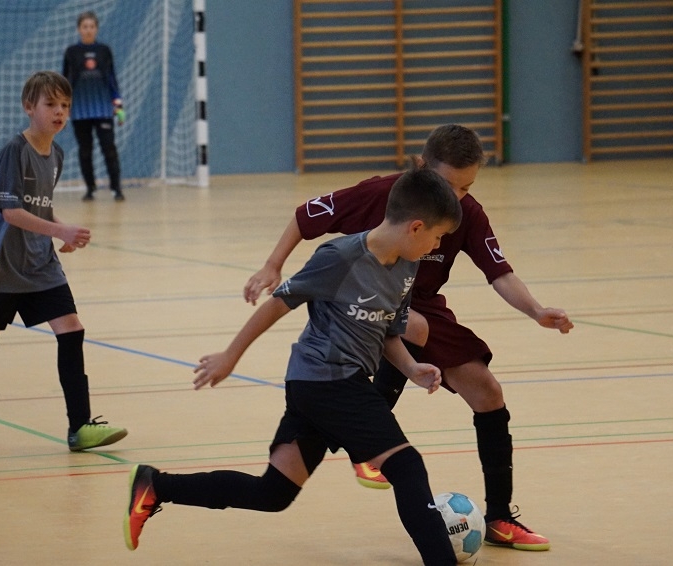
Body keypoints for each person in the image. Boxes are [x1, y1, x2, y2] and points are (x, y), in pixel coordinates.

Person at [243, 124, 574, 552]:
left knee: (488, 392)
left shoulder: (467, 213)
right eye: (449, 185)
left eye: (466, 187)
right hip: (365, 298)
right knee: (412, 329)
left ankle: (499, 518)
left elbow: (500, 273)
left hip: (424, 304)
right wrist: (273, 265)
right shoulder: (381, 194)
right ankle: (370, 445)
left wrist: (536, 311)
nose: (457, 197)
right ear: (422, 167)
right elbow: (306, 215)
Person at [124, 166, 463, 564]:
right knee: (406, 466)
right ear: (416, 227)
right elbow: (278, 303)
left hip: (321, 385)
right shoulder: (340, 257)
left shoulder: (407, 265)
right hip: (327, 380)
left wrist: (410, 368)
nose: (437, 245)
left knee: (273, 493)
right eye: (438, 236)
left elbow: (387, 331)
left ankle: (155, 486)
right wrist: (231, 356)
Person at [0, 71, 127, 453]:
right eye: (51, 104)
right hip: (4, 265)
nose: (59, 112)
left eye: (65, 105)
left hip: (40, 264)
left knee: (71, 330)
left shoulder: (57, 154)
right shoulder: (15, 151)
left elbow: (39, 207)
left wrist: (62, 231)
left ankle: (80, 426)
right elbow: (11, 212)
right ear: (29, 107)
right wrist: (59, 229)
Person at [62, 11, 125, 202]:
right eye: (85, 27)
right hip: (80, 111)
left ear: (96, 29)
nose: (88, 30)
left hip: (103, 109)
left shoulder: (104, 50)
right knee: (85, 150)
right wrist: (64, 106)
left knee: (109, 148)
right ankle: (90, 188)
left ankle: (116, 188)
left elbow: (111, 78)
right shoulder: (71, 52)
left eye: (91, 26)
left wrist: (118, 103)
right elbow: (65, 81)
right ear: (79, 29)